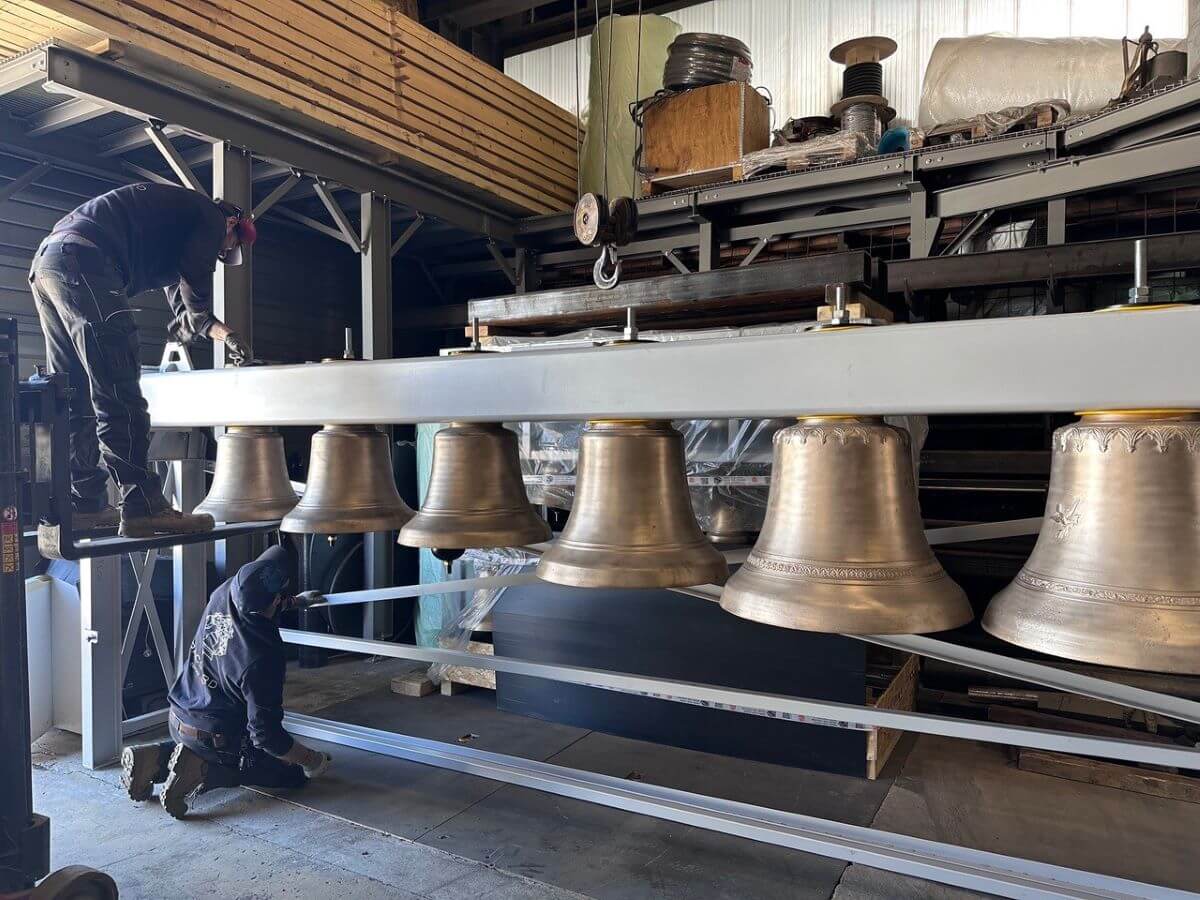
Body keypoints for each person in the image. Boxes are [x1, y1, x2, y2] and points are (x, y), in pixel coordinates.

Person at [29, 182, 255, 538]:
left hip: (51, 263)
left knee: (73, 391)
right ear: (232, 227)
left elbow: (188, 314)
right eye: (227, 249)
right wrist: (203, 311)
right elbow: (197, 282)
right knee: (119, 387)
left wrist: (227, 336)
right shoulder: (212, 217)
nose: (222, 254)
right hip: (87, 263)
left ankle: (84, 501)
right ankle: (142, 505)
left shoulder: (174, 225)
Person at [120, 544, 333, 819]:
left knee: (209, 739)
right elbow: (266, 735)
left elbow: (263, 593)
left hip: (177, 716)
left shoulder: (226, 590)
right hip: (214, 737)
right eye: (280, 599)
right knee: (289, 774)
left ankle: (152, 758)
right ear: (273, 603)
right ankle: (201, 772)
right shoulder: (261, 656)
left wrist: (296, 601)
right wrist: (311, 760)